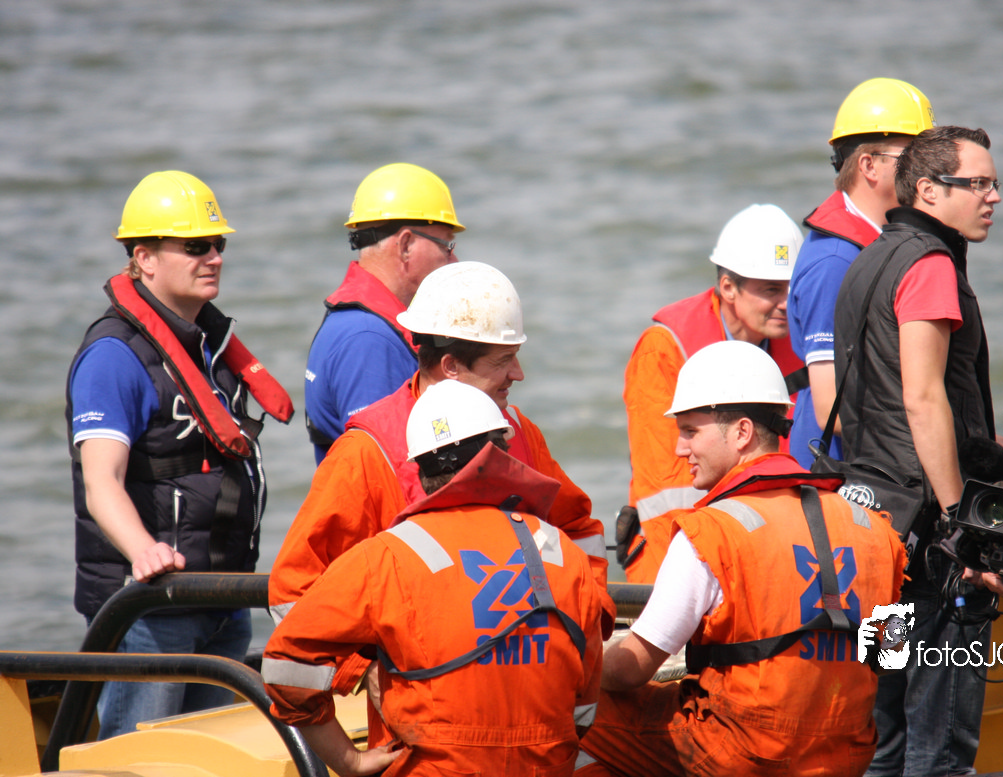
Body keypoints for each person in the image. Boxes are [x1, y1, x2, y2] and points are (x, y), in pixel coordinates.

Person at [269, 261, 612, 748]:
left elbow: (579, 532)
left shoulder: (518, 432)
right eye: (502, 361)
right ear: (450, 366)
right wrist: (363, 669)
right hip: (423, 734)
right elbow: (294, 589)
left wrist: (583, 632)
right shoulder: (368, 453)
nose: (518, 374)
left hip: (533, 721)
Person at [577, 340, 907, 777]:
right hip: (846, 751)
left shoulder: (712, 531)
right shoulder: (877, 531)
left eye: (690, 431)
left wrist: (569, 664)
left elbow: (632, 669)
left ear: (741, 432)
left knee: (566, 702)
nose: (679, 449)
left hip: (741, 753)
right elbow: (891, 657)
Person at [263, 380, 607, 775]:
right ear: (502, 457)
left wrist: (348, 760)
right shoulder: (565, 555)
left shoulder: (387, 557)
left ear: (420, 469)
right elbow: (584, 701)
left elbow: (286, 667)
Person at [66, 171, 294, 739]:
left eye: (217, 244)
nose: (214, 257)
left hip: (220, 601)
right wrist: (143, 551)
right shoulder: (113, 356)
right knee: (141, 763)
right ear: (143, 258)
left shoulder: (205, 347)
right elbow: (101, 482)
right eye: (195, 246)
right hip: (148, 608)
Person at [833, 126, 1003, 777]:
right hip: (928, 542)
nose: (993, 196)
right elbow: (922, 397)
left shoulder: (870, 256)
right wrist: (962, 525)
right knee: (940, 744)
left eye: (994, 182)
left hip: (872, 525)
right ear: (929, 190)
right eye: (978, 183)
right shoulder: (932, 265)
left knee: (885, 734)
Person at [619, 203, 805, 584]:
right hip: (676, 559)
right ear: (728, 288)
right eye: (771, 289)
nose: (786, 303)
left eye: (792, 287)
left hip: (771, 553)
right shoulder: (666, 349)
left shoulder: (798, 347)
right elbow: (668, 489)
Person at [787, 77, 934, 468]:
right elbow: (829, 408)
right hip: (837, 478)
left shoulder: (875, 245)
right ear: (868, 165)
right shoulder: (834, 262)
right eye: (914, 157)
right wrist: (937, 428)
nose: (930, 171)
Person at [304, 162, 463, 464]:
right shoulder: (368, 340)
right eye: (446, 245)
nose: (454, 260)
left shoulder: (358, 324)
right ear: (406, 245)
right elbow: (386, 465)